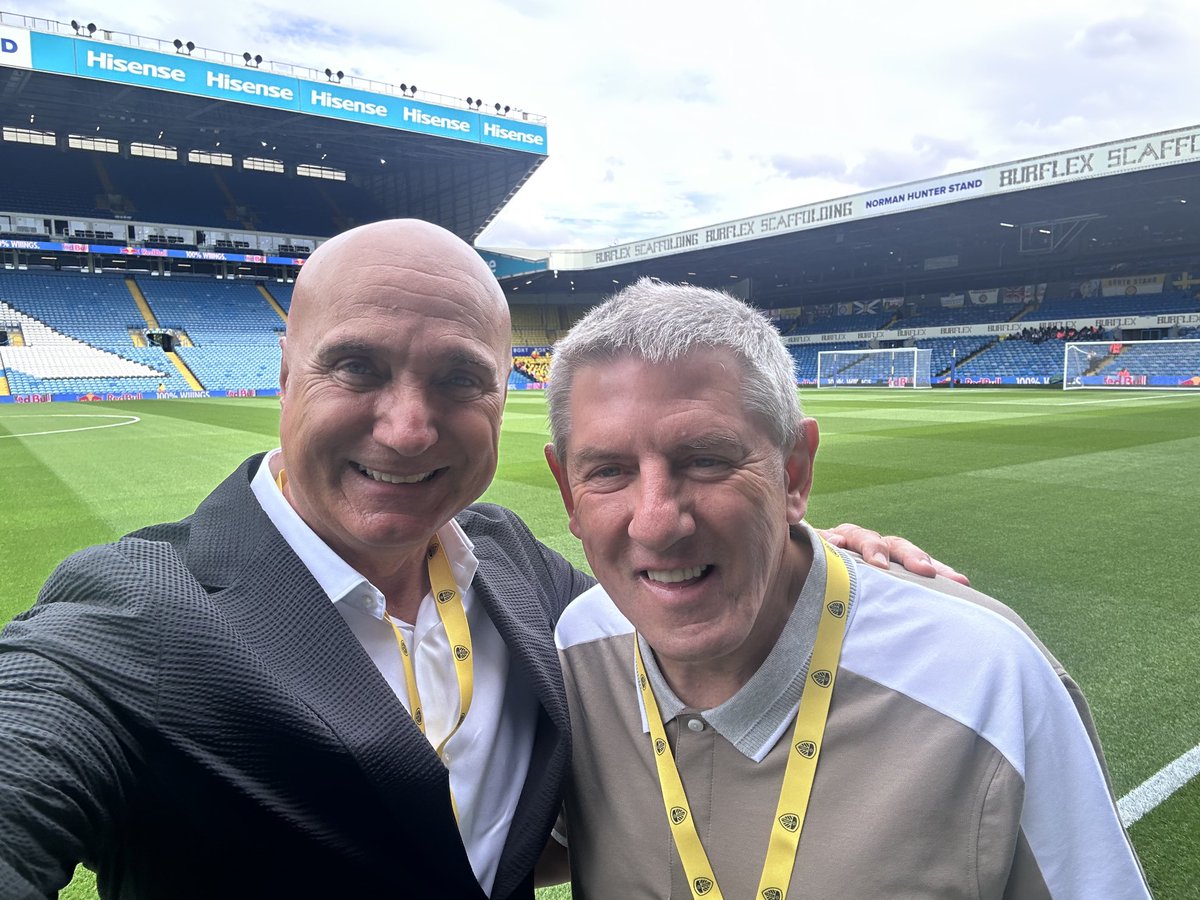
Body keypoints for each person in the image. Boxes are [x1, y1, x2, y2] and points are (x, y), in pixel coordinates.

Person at [0, 220, 955, 900]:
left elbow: (667, 613)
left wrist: (799, 554)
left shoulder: (514, 566)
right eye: (356, 366)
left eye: (460, 378)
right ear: (285, 372)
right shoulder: (133, 615)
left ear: (506, 394)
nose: (410, 429)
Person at [541, 278, 1151, 898]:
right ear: (567, 492)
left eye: (706, 460)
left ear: (794, 473)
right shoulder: (579, 645)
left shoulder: (987, 677)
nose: (656, 521)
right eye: (609, 471)